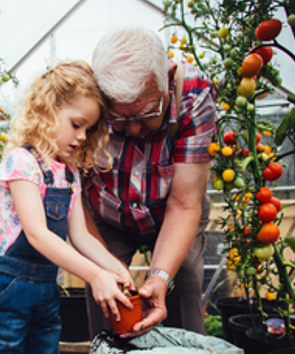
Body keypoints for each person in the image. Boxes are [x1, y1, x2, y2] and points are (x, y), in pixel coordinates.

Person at [0, 60, 135, 354]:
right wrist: (94, 275)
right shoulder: (23, 162)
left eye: (88, 129)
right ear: (48, 110)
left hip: (45, 291)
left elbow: (81, 236)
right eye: (76, 124)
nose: (81, 136)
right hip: (6, 289)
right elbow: (36, 234)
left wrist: (115, 268)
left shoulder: (69, 173)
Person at [82, 27, 216, 338]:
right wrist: (105, 268)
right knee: (105, 294)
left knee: (184, 279)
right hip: (107, 214)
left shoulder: (194, 96)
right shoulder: (84, 97)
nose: (131, 129)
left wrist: (158, 276)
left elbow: (184, 204)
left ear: (168, 78)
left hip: (172, 208)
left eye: (145, 113)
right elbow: (76, 200)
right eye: (118, 117)